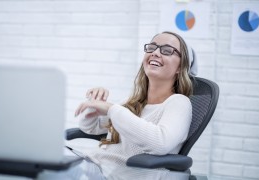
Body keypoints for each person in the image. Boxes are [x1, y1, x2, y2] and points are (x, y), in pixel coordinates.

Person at [68, 31, 197, 179]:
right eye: (152, 47)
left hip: (111, 175)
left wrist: (111, 109)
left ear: (181, 67)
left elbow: (160, 143)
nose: (155, 52)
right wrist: (94, 104)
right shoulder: (133, 101)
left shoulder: (179, 102)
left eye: (167, 50)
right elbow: (90, 128)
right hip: (94, 165)